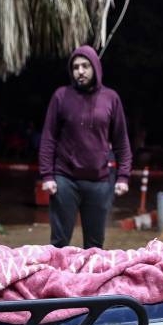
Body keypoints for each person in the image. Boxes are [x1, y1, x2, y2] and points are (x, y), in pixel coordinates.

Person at [38, 45, 131, 249]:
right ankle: (58, 272)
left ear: (95, 67)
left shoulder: (111, 98)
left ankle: (92, 271)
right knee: (59, 243)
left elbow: (121, 141)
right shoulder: (61, 96)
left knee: (95, 245)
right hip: (65, 179)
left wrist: (123, 176)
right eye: (75, 67)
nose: (80, 71)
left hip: (100, 181)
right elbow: (48, 138)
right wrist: (47, 175)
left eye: (85, 66)